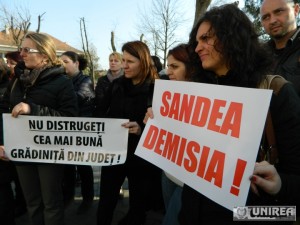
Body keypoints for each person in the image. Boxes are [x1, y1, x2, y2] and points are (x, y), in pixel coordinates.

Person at [177, 4, 300, 225]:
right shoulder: (195, 95)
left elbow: (293, 189)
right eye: (196, 42)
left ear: (233, 37)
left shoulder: (277, 94)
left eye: (206, 39)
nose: (197, 48)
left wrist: (280, 185)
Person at [0, 32, 78, 225]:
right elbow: (3, 109)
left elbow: (70, 119)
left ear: (44, 54)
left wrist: (32, 110)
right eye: (21, 50)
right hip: (20, 149)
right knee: (32, 203)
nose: (22, 54)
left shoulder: (62, 82)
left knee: (51, 204)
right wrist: (3, 141)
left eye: (27, 50)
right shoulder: (17, 80)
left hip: (49, 153)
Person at [95, 40, 160, 225]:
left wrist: (141, 128)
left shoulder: (157, 89)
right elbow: (99, 112)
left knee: (138, 205)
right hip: (114, 152)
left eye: (129, 61)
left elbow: (164, 126)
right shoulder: (116, 85)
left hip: (141, 156)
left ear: (144, 61)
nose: (124, 66)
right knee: (106, 200)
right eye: (123, 60)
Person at [144, 43, 197, 225]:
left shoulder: (210, 97)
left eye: (174, 66)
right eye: (167, 65)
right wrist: (152, 121)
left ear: (191, 68)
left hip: (190, 182)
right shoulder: (166, 94)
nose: (168, 71)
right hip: (168, 174)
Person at [60, 51, 95, 214]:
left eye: (66, 62)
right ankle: (68, 196)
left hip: (81, 129)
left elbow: (75, 99)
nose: (62, 65)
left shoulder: (85, 80)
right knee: (67, 165)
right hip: (66, 129)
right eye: (60, 62)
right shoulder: (63, 80)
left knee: (83, 165)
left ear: (76, 64)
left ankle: (87, 198)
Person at [94, 52, 125, 199]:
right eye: (110, 60)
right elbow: (99, 101)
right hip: (107, 122)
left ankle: (118, 185)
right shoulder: (102, 80)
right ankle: (110, 188)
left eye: (116, 61)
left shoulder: (127, 80)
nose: (113, 63)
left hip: (122, 123)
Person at [4, 51, 27, 218]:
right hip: (8, 136)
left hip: (24, 138)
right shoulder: (10, 82)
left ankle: (21, 204)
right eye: (7, 62)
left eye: (11, 63)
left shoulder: (18, 82)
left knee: (21, 177)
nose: (8, 66)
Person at [260, 0, 300, 95]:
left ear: (296, 10)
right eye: (266, 17)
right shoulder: (259, 55)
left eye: (278, 12)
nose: (272, 21)